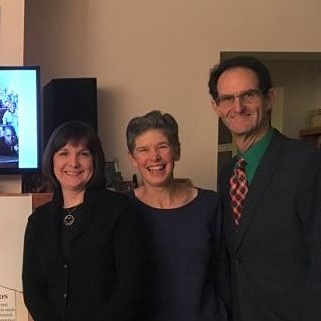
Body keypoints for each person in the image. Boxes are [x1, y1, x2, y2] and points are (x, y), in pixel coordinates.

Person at [208, 56, 321, 321]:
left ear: (268, 98)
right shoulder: (228, 173)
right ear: (216, 106)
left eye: (248, 95)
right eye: (227, 98)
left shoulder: (307, 163)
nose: (238, 107)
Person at [22, 121, 149, 321]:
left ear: (95, 160)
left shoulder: (119, 210)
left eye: (83, 154)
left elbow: (131, 285)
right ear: (52, 160)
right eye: (64, 153)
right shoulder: (39, 220)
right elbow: (32, 287)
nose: (73, 163)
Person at [126, 111, 228, 321]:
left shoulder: (210, 205)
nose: (154, 157)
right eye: (143, 150)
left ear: (177, 151)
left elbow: (225, 274)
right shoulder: (122, 209)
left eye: (162, 146)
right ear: (133, 159)